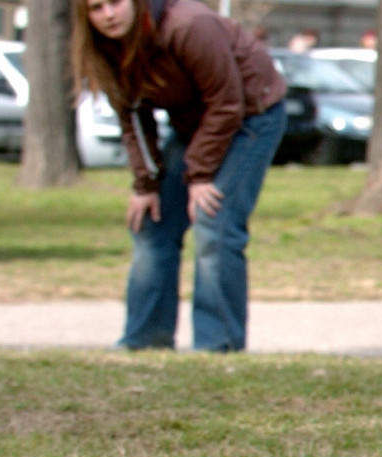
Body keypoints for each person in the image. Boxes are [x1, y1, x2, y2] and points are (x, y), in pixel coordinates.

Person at [71, 0, 287, 352]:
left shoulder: (187, 25)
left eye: (115, 2)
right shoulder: (106, 48)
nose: (109, 14)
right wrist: (146, 183)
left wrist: (200, 175)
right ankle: (146, 340)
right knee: (151, 221)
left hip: (251, 115)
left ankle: (218, 345)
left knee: (212, 220)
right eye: (96, 8)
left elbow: (227, 101)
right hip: (194, 122)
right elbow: (132, 116)